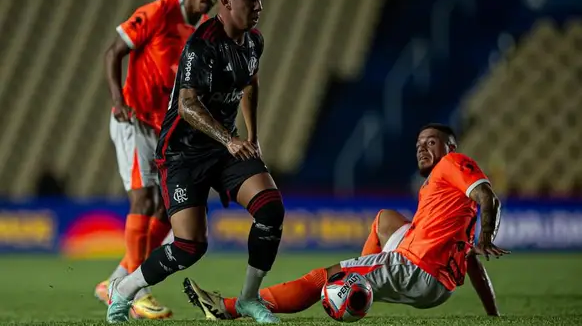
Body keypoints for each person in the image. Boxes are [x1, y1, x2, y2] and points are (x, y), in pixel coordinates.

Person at [106, 0, 285, 324]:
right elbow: (187, 105)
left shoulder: (254, 41)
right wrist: (231, 139)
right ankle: (123, 291)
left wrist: (251, 138)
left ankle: (249, 299)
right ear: (226, 0)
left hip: (225, 147)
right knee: (190, 247)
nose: (259, 6)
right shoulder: (201, 45)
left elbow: (250, 84)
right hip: (183, 153)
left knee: (270, 210)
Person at [184, 124, 510, 319]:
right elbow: (470, 258)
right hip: (439, 287)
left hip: (415, 268)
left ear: (450, 147)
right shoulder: (445, 197)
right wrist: (493, 314)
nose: (422, 148)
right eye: (418, 145)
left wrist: (486, 236)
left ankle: (229, 307)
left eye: (431, 142)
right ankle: (360, 280)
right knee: (385, 219)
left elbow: (488, 198)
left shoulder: (454, 162)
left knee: (321, 277)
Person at [98, 0, 225, 320]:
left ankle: (117, 282)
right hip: (133, 120)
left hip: (164, 129)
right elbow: (113, 52)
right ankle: (136, 293)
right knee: (144, 198)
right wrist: (118, 100)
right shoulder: (157, 14)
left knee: (169, 212)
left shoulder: (202, 35)